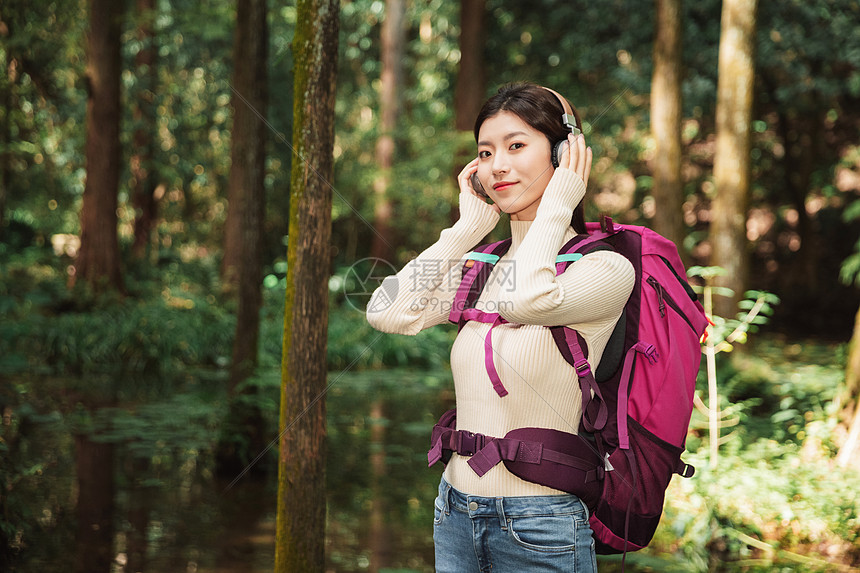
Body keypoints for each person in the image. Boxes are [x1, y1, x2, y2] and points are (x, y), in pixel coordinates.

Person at [366, 82, 635, 572]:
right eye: (486, 152)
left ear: (563, 154)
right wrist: (467, 228)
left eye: (516, 146)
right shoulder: (484, 267)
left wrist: (557, 204)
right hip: (454, 513)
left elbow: (525, 299)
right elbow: (386, 311)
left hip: (541, 523)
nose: (498, 166)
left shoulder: (605, 269)